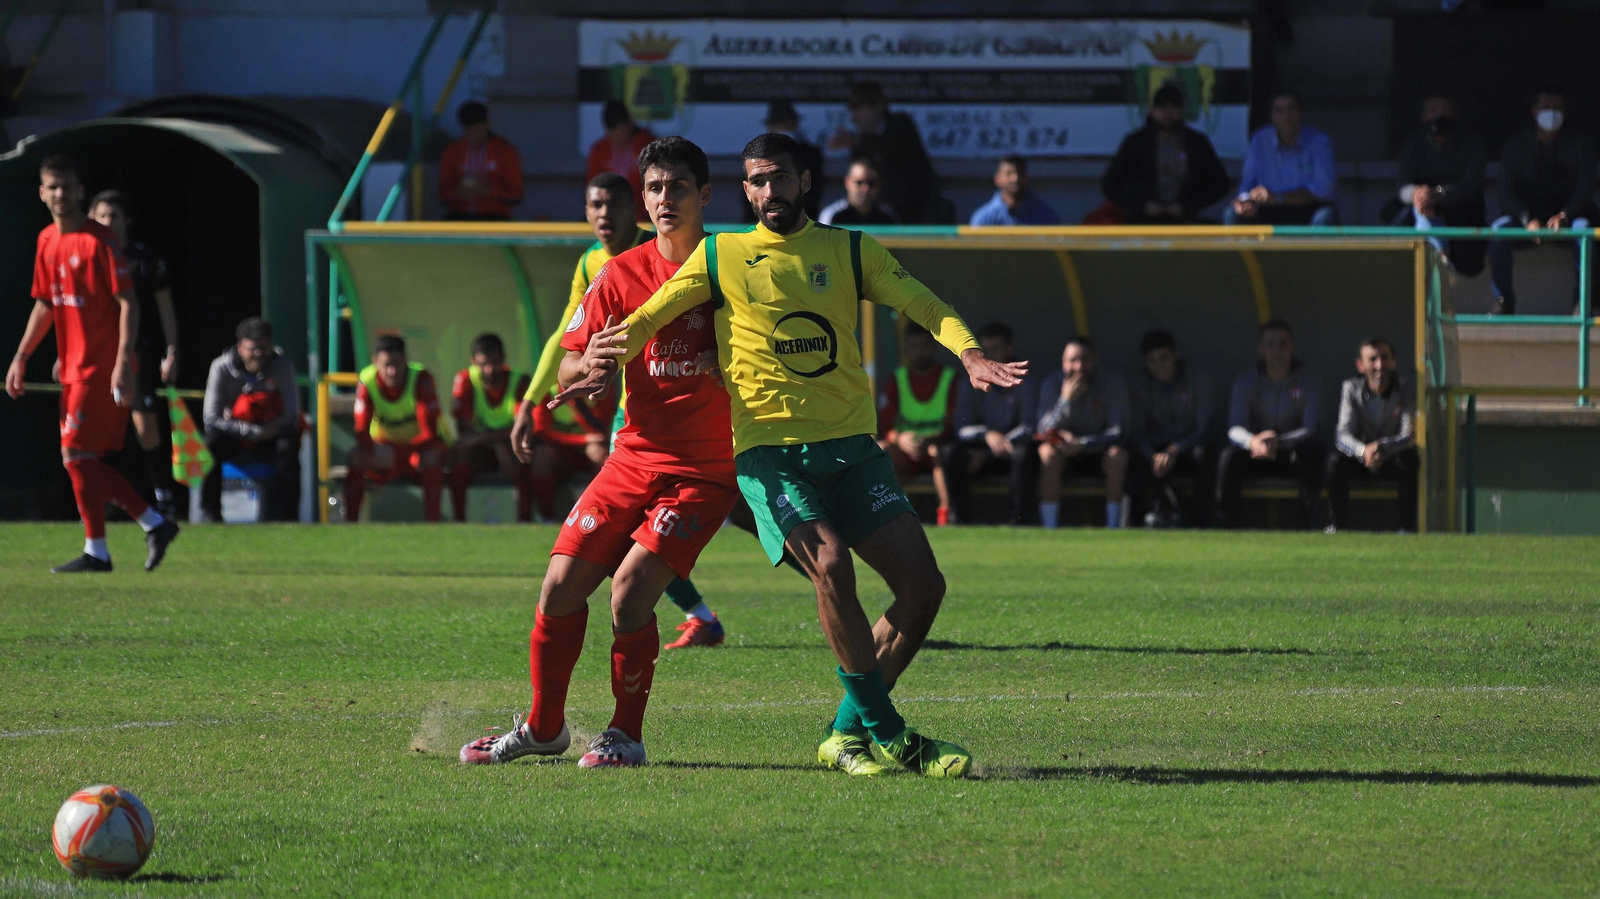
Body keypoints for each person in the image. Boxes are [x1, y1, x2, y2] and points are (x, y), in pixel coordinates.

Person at [563, 132, 1027, 777]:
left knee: (923, 589)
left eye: (780, 177)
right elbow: (650, 313)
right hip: (771, 454)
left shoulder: (847, 249)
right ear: (745, 189)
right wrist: (595, 363)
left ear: (805, 182)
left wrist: (969, 352)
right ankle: (891, 733)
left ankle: (847, 733)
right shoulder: (723, 254)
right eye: (756, 180)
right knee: (831, 566)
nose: (768, 190)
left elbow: (921, 301)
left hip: (853, 452)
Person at [462, 136, 738, 770]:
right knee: (559, 586)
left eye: (678, 187)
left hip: (703, 469)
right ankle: (544, 728)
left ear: (705, 195)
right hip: (632, 456)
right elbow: (565, 362)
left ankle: (624, 735)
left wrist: (723, 362)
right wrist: (586, 368)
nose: (665, 199)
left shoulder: (733, 268)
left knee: (631, 593)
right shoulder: (619, 273)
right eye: (655, 188)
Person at [519, 171, 729, 647]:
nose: (603, 216)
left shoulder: (708, 259)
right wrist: (536, 397)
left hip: (712, 443)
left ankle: (830, 592)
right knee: (627, 549)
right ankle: (700, 614)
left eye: (612, 206)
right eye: (594, 206)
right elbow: (568, 342)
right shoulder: (597, 263)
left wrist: (729, 356)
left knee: (773, 529)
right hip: (635, 424)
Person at [5, 155, 179, 572]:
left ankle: (105, 546)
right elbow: (47, 303)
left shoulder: (100, 241)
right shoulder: (47, 240)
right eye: (53, 186)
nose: (61, 194)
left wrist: (123, 361)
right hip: (74, 367)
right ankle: (147, 526)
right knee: (81, 459)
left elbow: (128, 302)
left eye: (68, 186)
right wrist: (21, 356)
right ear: (42, 193)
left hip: (101, 367)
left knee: (75, 453)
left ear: (80, 191)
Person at [88, 190, 181, 518]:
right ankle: (106, 499)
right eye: (102, 216)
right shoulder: (86, 258)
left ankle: (163, 493)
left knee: (146, 427)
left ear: (127, 220)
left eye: (114, 215)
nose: (108, 222)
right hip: (97, 355)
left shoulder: (145, 259)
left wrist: (172, 350)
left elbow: (165, 306)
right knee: (98, 430)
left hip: (137, 354)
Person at [1489, 88, 1597, 315]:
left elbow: (1585, 187)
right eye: (1545, 107)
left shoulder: (1580, 145)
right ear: (1534, 111)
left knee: (1586, 232)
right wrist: (1526, 219)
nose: (1551, 113)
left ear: (1565, 113)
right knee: (1498, 231)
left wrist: (1566, 215)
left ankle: (1583, 304)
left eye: (1556, 108)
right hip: (1526, 220)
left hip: (1568, 219)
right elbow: (1505, 190)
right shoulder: (1516, 146)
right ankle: (1504, 301)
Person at [1216, 319, 1322, 529]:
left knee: (1312, 452)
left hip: (1290, 452)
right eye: (1270, 345)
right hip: (1256, 452)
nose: (1277, 350)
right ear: (1261, 350)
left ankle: (1307, 528)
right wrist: (1253, 441)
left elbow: (1312, 427)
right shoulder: (1244, 381)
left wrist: (1278, 441)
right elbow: (1235, 427)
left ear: (1291, 348)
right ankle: (1227, 526)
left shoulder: (1310, 382)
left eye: (1283, 344)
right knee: (1228, 457)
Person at [199, 317, 301, 523]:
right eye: (252, 348)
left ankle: (287, 518)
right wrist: (247, 430)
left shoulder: (283, 367)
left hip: (270, 433)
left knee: (289, 446)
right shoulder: (221, 368)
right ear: (240, 347)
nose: (258, 354)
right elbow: (211, 418)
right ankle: (210, 515)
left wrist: (269, 429)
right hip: (234, 435)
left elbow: (291, 414)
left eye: (263, 348)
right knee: (209, 446)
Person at [938, 321, 1034, 525]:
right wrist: (987, 436)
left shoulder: (1023, 379)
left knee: (1025, 455)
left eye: (996, 349)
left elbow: (1029, 426)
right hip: (980, 448)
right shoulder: (968, 381)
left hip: (1012, 447)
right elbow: (961, 427)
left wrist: (997, 444)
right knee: (951, 453)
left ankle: (1019, 522)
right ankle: (960, 520)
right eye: (985, 351)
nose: (990, 357)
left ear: (1009, 349)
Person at [345, 335, 445, 523]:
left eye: (397, 364)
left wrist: (398, 451)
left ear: (406, 360)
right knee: (355, 456)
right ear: (375, 362)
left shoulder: (421, 379)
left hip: (416, 451)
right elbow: (361, 431)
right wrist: (374, 448)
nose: (392, 371)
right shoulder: (367, 381)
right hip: (384, 452)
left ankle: (434, 524)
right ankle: (350, 525)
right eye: (386, 365)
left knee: (431, 456)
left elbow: (430, 434)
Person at [1100, 83, 1230, 224]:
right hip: (1141, 221)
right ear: (1152, 110)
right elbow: (1110, 185)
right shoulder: (1135, 143)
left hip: (1185, 220)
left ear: (1182, 111)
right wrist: (1142, 205)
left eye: (1173, 108)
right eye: (1162, 108)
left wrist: (1188, 205)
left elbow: (1220, 183)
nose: (1168, 114)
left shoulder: (1197, 142)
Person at [1034, 338, 1130, 529]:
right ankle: (1050, 528)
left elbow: (1119, 431)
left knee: (1117, 456)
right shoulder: (1052, 384)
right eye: (1072, 361)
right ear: (1063, 363)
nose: (1078, 367)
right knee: (1046, 453)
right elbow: (1043, 430)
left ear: (1094, 361)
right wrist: (1065, 401)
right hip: (1065, 452)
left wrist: (1083, 443)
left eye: (1085, 360)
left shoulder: (1111, 384)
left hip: (1098, 450)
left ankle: (1113, 527)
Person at [1386, 96, 1487, 277]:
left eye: (1445, 112)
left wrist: (1438, 194)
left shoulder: (1472, 145)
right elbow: (1402, 187)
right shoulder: (1412, 146)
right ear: (1424, 116)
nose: (1440, 117)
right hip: (1419, 210)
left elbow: (1470, 186)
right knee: (1421, 209)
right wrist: (1418, 194)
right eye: (1433, 112)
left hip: (1463, 214)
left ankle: (1438, 262)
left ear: (1456, 115)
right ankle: (1439, 260)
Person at [1324, 337, 1417, 533]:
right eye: (1373, 359)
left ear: (1394, 362)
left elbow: (1409, 433)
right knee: (1334, 462)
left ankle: (1406, 529)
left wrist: (1382, 448)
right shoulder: (1351, 388)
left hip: (1391, 456)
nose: (1379, 365)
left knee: (1411, 458)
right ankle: (1337, 527)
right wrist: (1363, 451)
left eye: (1385, 358)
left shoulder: (1406, 388)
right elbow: (1342, 434)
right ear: (1360, 365)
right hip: (1362, 459)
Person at [1127, 329, 1214, 528]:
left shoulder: (1198, 379)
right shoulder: (1139, 386)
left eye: (1164, 358)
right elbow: (1138, 431)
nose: (1159, 366)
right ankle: (1129, 526)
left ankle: (1205, 524)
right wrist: (1153, 456)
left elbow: (1203, 428)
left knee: (1205, 454)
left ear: (1176, 355)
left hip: (1188, 447)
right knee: (1130, 459)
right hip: (1155, 452)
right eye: (1152, 360)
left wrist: (1175, 450)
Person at [448, 333, 535, 522]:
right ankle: (458, 520)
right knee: (461, 449)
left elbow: (524, 428)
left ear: (504, 360)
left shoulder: (520, 381)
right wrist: (496, 444)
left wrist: (495, 443)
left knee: (523, 452)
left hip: (509, 447)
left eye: (495, 362)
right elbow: (464, 428)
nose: (489, 369)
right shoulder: (465, 380)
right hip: (485, 449)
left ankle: (526, 519)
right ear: (473, 362)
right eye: (482, 364)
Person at [877, 323, 959, 526]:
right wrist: (899, 438)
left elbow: (954, 425)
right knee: (881, 450)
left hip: (935, 448)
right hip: (907, 451)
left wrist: (930, 439)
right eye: (914, 346)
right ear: (906, 349)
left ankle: (946, 516)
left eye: (925, 346)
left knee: (937, 453)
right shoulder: (897, 380)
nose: (920, 352)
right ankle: (892, 515)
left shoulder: (951, 379)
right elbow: (884, 425)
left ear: (934, 347)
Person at [831, 81, 941, 224]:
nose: (854, 118)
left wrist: (856, 140)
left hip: (918, 215)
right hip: (878, 218)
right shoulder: (860, 144)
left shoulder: (900, 124)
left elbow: (889, 144)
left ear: (877, 105)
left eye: (858, 109)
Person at [1225, 90, 1339, 227]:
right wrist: (1245, 203)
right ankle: (1242, 250)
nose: (1286, 116)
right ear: (1272, 115)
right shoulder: (1259, 140)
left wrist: (1279, 198)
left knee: (1326, 216)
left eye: (1291, 109)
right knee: (1232, 214)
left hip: (1307, 210)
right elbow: (1246, 188)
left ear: (1300, 112)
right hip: (1267, 210)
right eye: (1279, 111)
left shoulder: (1320, 142)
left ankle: (1313, 250)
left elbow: (1325, 191)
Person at [437, 101, 524, 221]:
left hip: (495, 217)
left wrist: (487, 191)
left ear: (487, 125)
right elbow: (443, 195)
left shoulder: (505, 151)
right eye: (469, 129)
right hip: (460, 215)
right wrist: (458, 193)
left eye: (478, 128)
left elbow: (516, 196)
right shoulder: (452, 152)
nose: (473, 134)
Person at [747, 100, 824, 221]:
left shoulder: (811, 154)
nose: (770, 192)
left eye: (782, 178)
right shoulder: (755, 156)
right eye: (759, 181)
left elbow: (814, 194)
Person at [585, 100, 656, 223]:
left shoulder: (649, 145)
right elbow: (592, 187)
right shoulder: (599, 151)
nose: (617, 138)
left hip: (646, 218)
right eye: (612, 133)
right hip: (611, 219)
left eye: (621, 131)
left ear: (630, 124)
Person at [970, 155, 1060, 226]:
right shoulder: (984, 218)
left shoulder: (1045, 215)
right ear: (997, 179)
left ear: (1026, 177)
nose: (1015, 179)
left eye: (1020, 173)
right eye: (1008, 174)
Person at [818, 156, 899, 227]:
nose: (865, 188)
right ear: (847, 182)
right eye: (859, 182)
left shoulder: (888, 217)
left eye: (871, 183)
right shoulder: (833, 216)